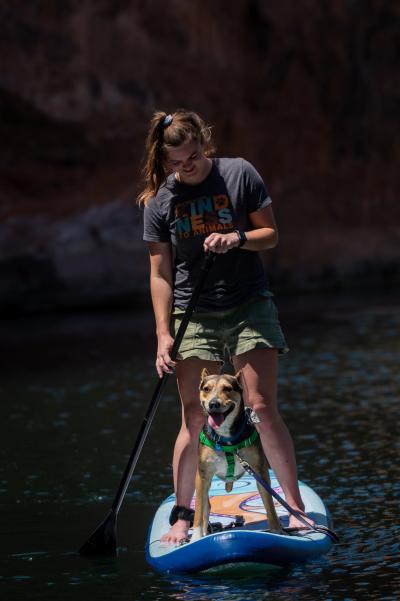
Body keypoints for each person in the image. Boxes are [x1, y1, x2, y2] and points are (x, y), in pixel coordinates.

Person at [138, 109, 313, 544]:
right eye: (176, 164)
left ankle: (294, 508)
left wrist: (237, 237)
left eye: (193, 157)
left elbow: (270, 234)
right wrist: (163, 334)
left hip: (247, 305)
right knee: (194, 414)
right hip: (191, 313)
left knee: (260, 405)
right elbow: (160, 272)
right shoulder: (160, 200)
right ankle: (183, 515)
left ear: (204, 144)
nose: (186, 168)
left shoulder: (239, 174)